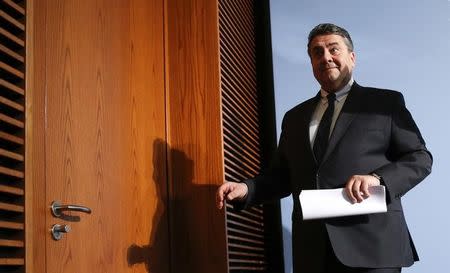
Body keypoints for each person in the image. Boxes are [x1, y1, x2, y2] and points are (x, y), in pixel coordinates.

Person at [216, 23, 432, 273]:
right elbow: (282, 176)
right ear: (311, 63)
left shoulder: (385, 103)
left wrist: (377, 179)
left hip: (372, 247)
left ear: (352, 57)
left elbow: (420, 158)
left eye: (333, 49)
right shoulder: (294, 117)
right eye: (317, 52)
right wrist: (246, 188)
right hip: (313, 251)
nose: (326, 57)